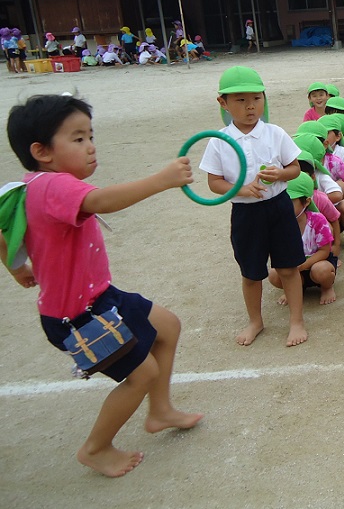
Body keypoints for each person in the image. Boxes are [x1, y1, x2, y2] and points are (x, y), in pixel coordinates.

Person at [2, 94, 203, 477]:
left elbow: (1, 224)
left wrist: (17, 267)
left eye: (90, 135)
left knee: (168, 326)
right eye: (77, 139)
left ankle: (160, 411)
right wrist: (162, 180)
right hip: (77, 315)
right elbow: (103, 201)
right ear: (41, 151)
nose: (91, 146)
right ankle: (96, 448)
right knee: (141, 374)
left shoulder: (29, 186)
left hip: (99, 296)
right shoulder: (56, 186)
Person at [199, 66, 308, 347]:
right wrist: (241, 189)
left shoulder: (275, 133)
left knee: (288, 268)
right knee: (250, 272)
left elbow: (295, 168)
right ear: (223, 103)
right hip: (245, 213)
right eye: (240, 100)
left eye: (257, 98)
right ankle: (255, 321)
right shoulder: (219, 141)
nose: (250, 106)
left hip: (279, 208)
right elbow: (214, 182)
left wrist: (280, 174)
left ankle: (296, 321)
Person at [268, 173, 338, 306]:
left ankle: (327, 287)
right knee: (273, 274)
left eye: (290, 201)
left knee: (321, 270)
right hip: (294, 267)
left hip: (318, 261)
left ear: (306, 202)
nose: (284, 206)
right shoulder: (278, 224)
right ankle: (294, 289)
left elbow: (325, 251)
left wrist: (303, 266)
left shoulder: (318, 220)